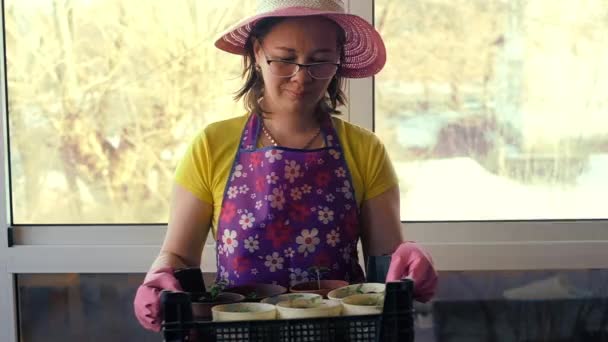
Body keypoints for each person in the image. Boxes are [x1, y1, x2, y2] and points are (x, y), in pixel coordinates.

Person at [134, 0, 438, 332]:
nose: (301, 76)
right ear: (256, 52)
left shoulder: (366, 150)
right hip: (238, 334)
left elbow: (387, 260)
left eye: (320, 61)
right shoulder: (210, 145)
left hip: (341, 334)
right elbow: (178, 256)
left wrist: (407, 258)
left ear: (338, 61)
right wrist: (158, 278)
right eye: (285, 58)